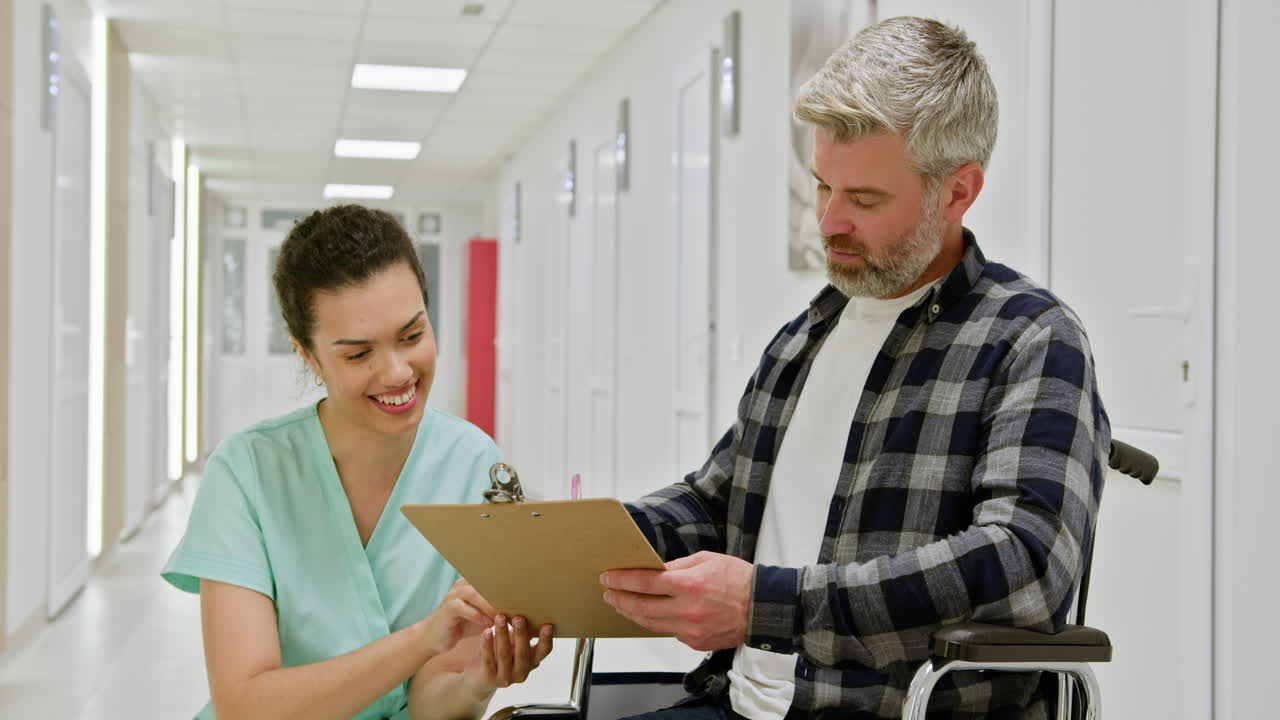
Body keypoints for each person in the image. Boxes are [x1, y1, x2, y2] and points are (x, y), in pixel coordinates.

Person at [600, 16, 1109, 720]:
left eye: (864, 200)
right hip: (736, 703)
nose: (828, 222)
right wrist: (571, 551)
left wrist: (765, 606)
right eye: (821, 187)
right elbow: (720, 502)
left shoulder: (1030, 340)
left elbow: (1023, 567)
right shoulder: (805, 338)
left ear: (958, 192)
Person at [162, 205, 553, 720]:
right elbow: (245, 705)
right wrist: (423, 639)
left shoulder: (473, 463)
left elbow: (433, 702)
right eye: (357, 354)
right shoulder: (248, 471)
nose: (396, 372)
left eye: (412, 336)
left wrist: (475, 683)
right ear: (307, 355)